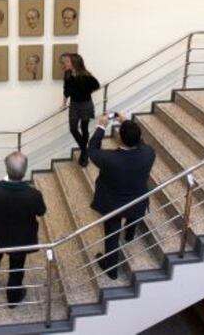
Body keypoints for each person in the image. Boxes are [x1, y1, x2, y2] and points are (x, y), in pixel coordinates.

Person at [89, 114, 156, 280]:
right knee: (133, 212)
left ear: (119, 138)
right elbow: (139, 142)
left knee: (112, 233)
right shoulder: (149, 153)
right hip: (137, 200)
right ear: (139, 137)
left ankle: (111, 268)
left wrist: (101, 126)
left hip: (113, 204)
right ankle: (129, 234)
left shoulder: (109, 158)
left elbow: (92, 150)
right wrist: (126, 122)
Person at [0, 152, 46, 306]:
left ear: (6, 169)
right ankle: (13, 296)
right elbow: (41, 211)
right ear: (25, 171)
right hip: (21, 238)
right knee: (17, 266)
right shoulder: (34, 194)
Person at [62, 53, 100, 167]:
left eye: (67, 62)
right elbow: (66, 90)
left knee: (84, 128)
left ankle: (84, 154)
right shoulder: (67, 74)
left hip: (85, 105)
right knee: (73, 128)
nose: (65, 63)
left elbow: (96, 85)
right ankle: (85, 150)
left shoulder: (85, 76)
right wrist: (64, 104)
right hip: (74, 105)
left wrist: (86, 92)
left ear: (74, 63)